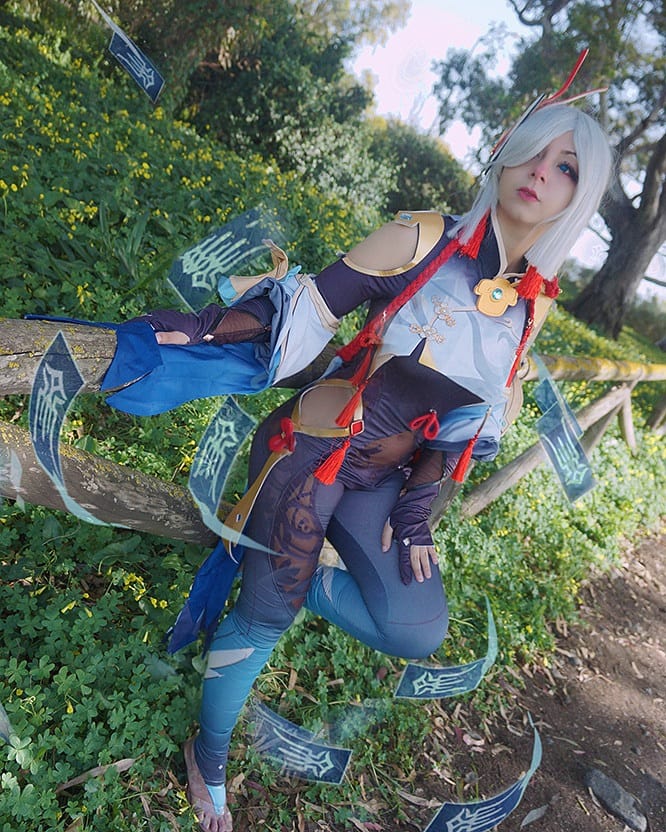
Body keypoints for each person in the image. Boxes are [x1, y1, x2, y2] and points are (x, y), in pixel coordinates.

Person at [107, 96, 612, 831]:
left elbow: (462, 425)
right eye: (533, 151)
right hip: (310, 450)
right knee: (264, 616)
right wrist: (206, 326)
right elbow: (311, 305)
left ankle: (294, 582)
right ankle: (208, 752)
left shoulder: (530, 306)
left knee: (417, 628)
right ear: (505, 152)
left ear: (578, 197)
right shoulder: (423, 237)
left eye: (564, 167)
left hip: (383, 478)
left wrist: (416, 512)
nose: (540, 172)